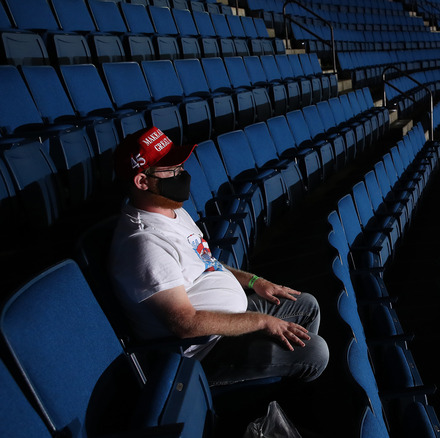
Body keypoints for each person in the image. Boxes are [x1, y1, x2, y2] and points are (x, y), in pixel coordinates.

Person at [109, 127, 329, 386]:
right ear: (142, 182)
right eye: (172, 171)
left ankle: (281, 378)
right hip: (204, 350)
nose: (182, 175)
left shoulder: (170, 210)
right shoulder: (144, 243)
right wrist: (261, 321)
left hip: (229, 319)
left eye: (181, 167)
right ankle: (266, 403)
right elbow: (186, 324)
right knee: (316, 352)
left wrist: (252, 281)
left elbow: (206, 260)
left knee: (307, 306)